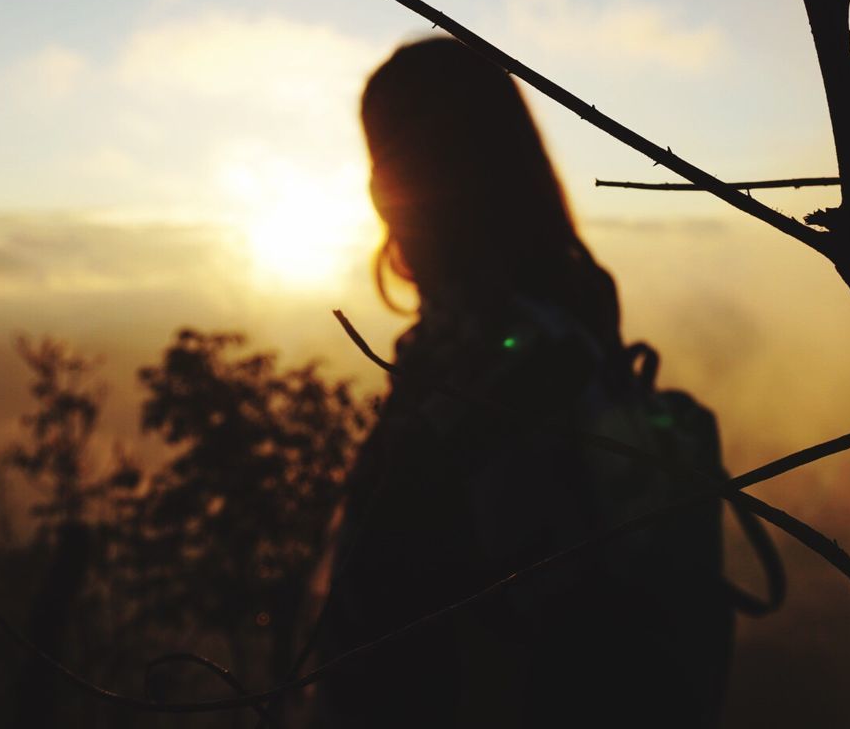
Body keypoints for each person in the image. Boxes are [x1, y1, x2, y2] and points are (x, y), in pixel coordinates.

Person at [309, 37, 732, 728]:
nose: (380, 186)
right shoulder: (531, 338)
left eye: (397, 154)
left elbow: (525, 640)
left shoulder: (517, 365)